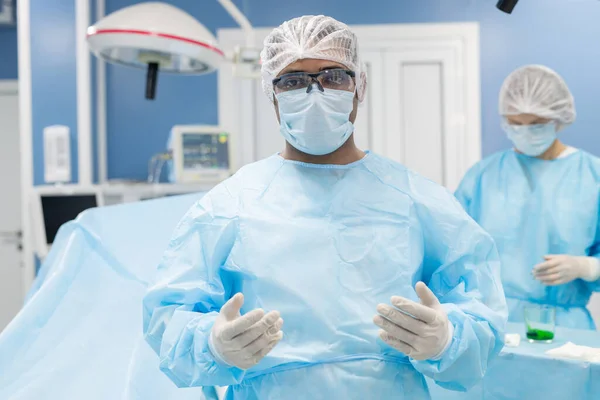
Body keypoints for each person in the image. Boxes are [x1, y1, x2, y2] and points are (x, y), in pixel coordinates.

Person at [143, 15, 507, 399]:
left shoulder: (417, 199)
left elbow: (482, 309)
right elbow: (168, 315)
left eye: (333, 76)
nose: (315, 93)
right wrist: (212, 343)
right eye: (294, 81)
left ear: (359, 87)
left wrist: (448, 338)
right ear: (272, 94)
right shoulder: (230, 204)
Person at [455, 65, 600, 330]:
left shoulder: (592, 176)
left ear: (558, 118)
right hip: (490, 322)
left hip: (565, 327)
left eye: (536, 124)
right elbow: (450, 248)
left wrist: (587, 266)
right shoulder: (483, 176)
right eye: (515, 123)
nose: (525, 132)